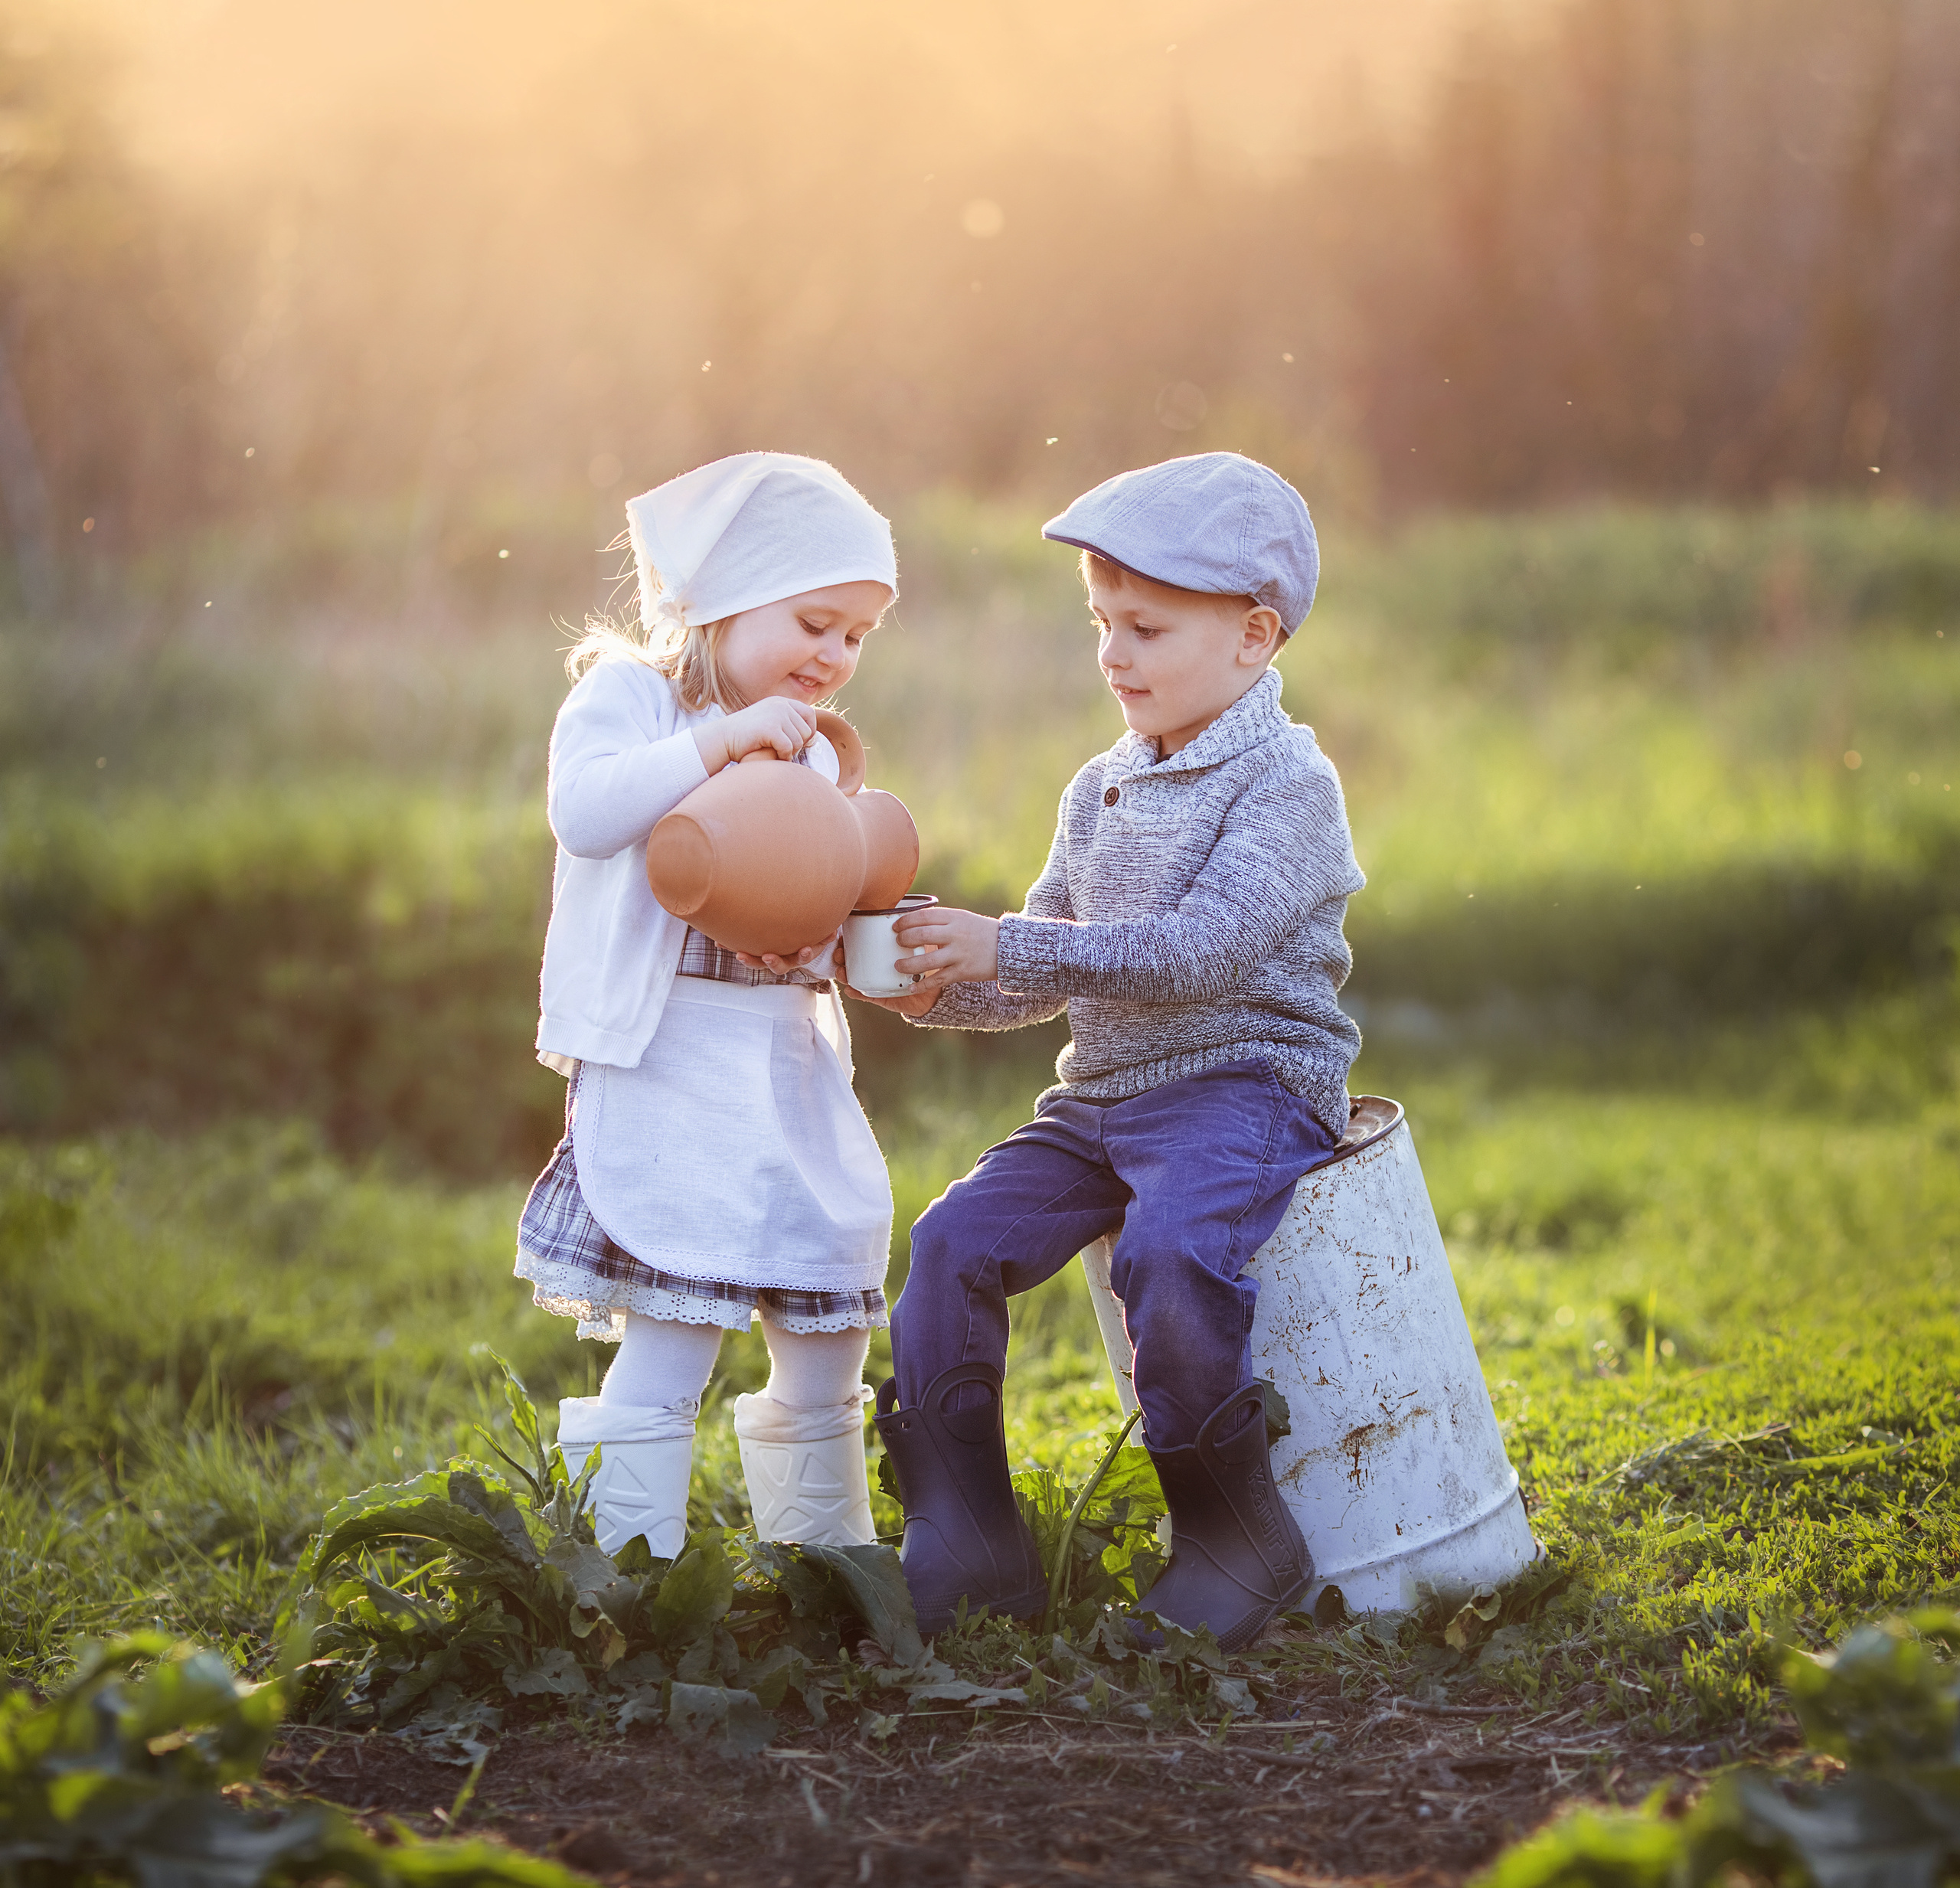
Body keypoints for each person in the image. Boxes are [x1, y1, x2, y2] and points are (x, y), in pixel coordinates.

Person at [851, 452, 1364, 1651]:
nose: (1113, 655)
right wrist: (932, 986)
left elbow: (1198, 955)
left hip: (1244, 1082)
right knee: (950, 1241)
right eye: (1101, 623)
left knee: (1172, 1252)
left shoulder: (1291, 784)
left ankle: (1238, 1532)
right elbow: (1040, 973)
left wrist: (1006, 941)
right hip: (1103, 1099)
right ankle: (968, 1538)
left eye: (1145, 626)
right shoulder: (1101, 788)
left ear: (1253, 637)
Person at [517, 451, 898, 1560]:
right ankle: (618, 1578)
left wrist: (859, 939)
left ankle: (825, 1562)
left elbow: (800, 897)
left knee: (827, 1314)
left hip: (782, 1060)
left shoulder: (812, 746)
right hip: (672, 1056)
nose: (836, 655)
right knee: (677, 1320)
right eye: (816, 621)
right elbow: (587, 813)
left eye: (857, 637)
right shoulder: (634, 697)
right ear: (722, 602)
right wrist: (716, 743)